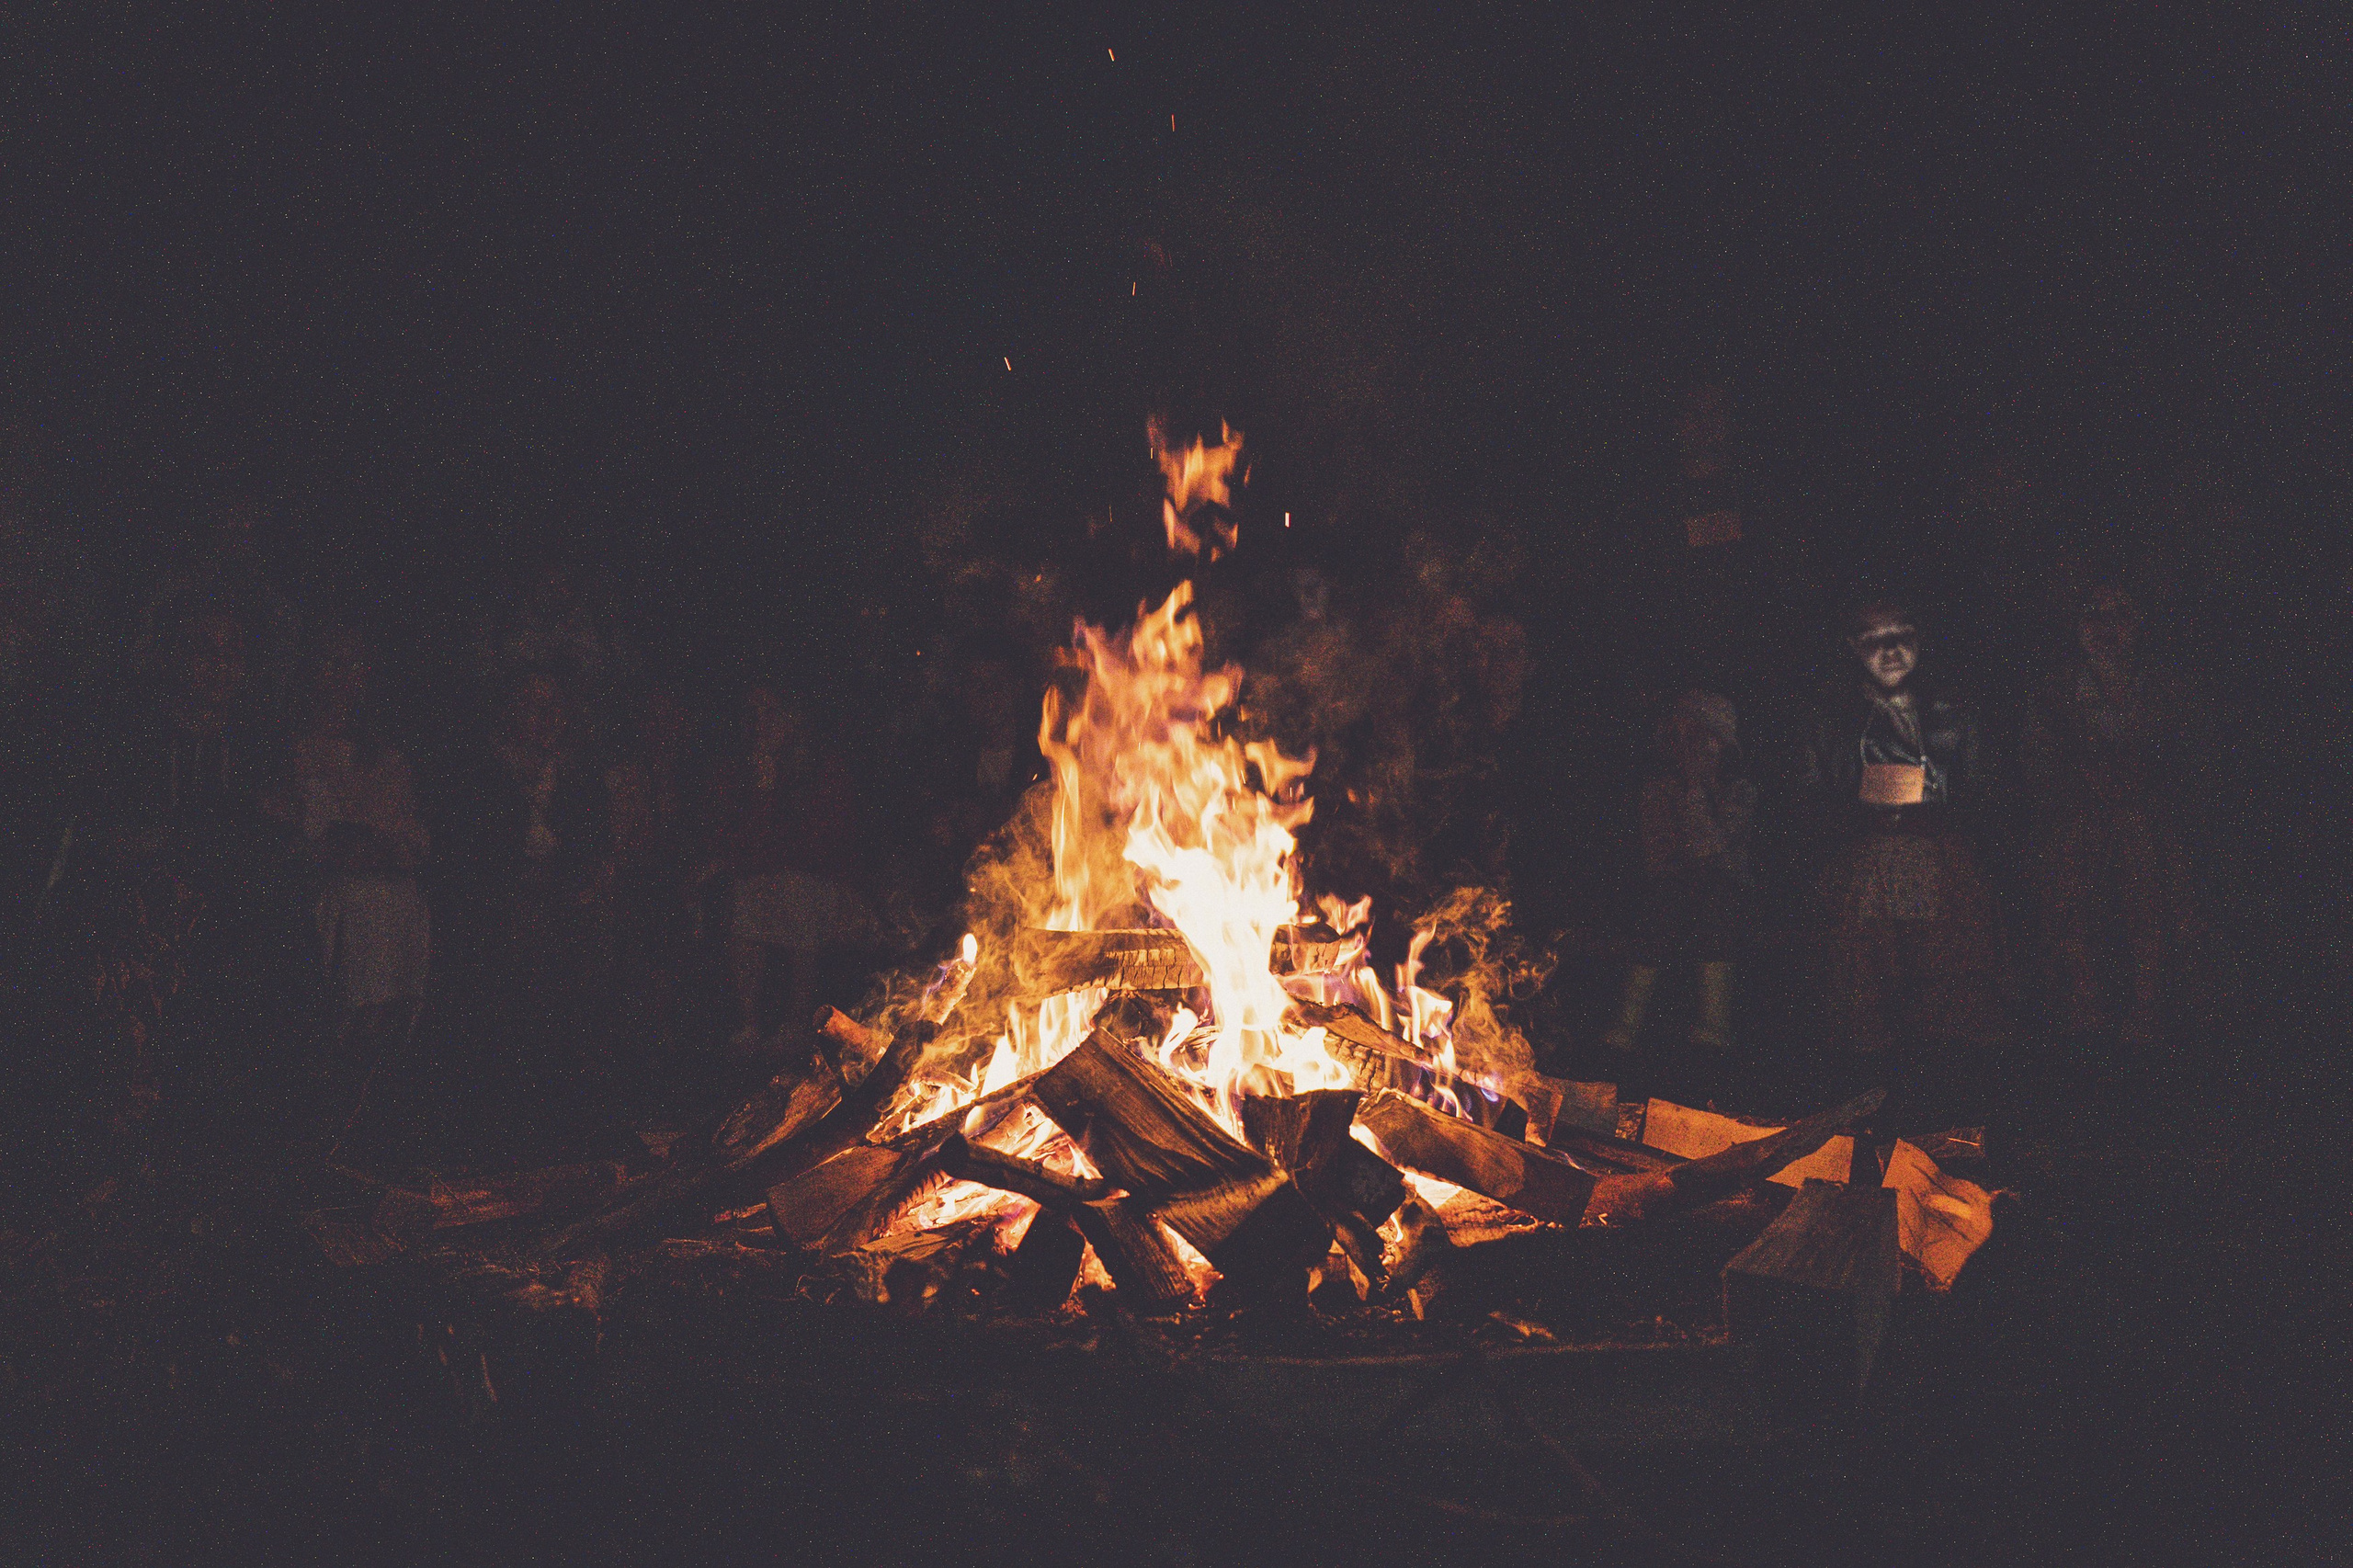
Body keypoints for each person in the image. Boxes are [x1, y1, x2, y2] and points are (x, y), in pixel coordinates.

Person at [1802, 598, 2010, 1115]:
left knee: (1945, 972)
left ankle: (1942, 1099)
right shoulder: (1834, 716)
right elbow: (1810, 795)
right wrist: (1857, 810)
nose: (1891, 650)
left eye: (1903, 635)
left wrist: (1948, 821)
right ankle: (1871, 1096)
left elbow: (1984, 787)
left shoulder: (1951, 709)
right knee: (1865, 973)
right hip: (1866, 859)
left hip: (1939, 857)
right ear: (1853, 647)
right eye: (1875, 639)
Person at [2020, 585, 2211, 1053]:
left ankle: (2150, 1017)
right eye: (2093, 615)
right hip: (2077, 823)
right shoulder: (2054, 691)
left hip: (2149, 826)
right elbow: (2036, 763)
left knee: (2151, 910)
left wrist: (2142, 784)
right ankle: (2083, 1021)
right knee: (2076, 913)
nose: (2107, 629)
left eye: (2119, 615)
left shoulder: (2166, 687)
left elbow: (2193, 761)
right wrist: (2082, 783)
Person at [435, 666, 611, 1126]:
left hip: (562, 909)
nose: (546, 716)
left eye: (554, 705)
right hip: (491, 912)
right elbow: (470, 854)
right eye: (533, 704)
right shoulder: (478, 772)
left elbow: (593, 848)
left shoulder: (578, 775)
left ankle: (569, 1105)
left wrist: (573, 882)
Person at [282, 623, 432, 1139]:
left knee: (395, 904)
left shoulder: (386, 757)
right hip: (331, 900)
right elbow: (317, 840)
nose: (342, 679)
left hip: (391, 899)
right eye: (332, 663)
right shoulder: (293, 750)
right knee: (358, 905)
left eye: (353, 666)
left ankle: (375, 1105)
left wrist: (376, 844)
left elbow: (409, 841)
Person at [699, 682, 864, 1056]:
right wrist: (762, 785)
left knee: (802, 894)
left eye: (771, 713)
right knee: (748, 897)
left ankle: (796, 1022)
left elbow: (821, 842)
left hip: (813, 878)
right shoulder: (742, 767)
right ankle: (750, 1022)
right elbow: (743, 843)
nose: (762, 724)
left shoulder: (820, 764)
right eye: (755, 715)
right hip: (765, 874)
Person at [1601, 691, 1757, 1060]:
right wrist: (1689, 790)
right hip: (1671, 890)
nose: (1690, 747)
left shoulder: (1741, 792)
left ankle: (1713, 1030)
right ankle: (1625, 1028)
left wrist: (1696, 791)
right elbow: (1658, 855)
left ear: (1721, 742)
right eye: (1682, 737)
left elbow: (1713, 852)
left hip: (1727, 892)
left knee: (1715, 895)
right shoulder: (1657, 790)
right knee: (1665, 899)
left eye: (1700, 736)